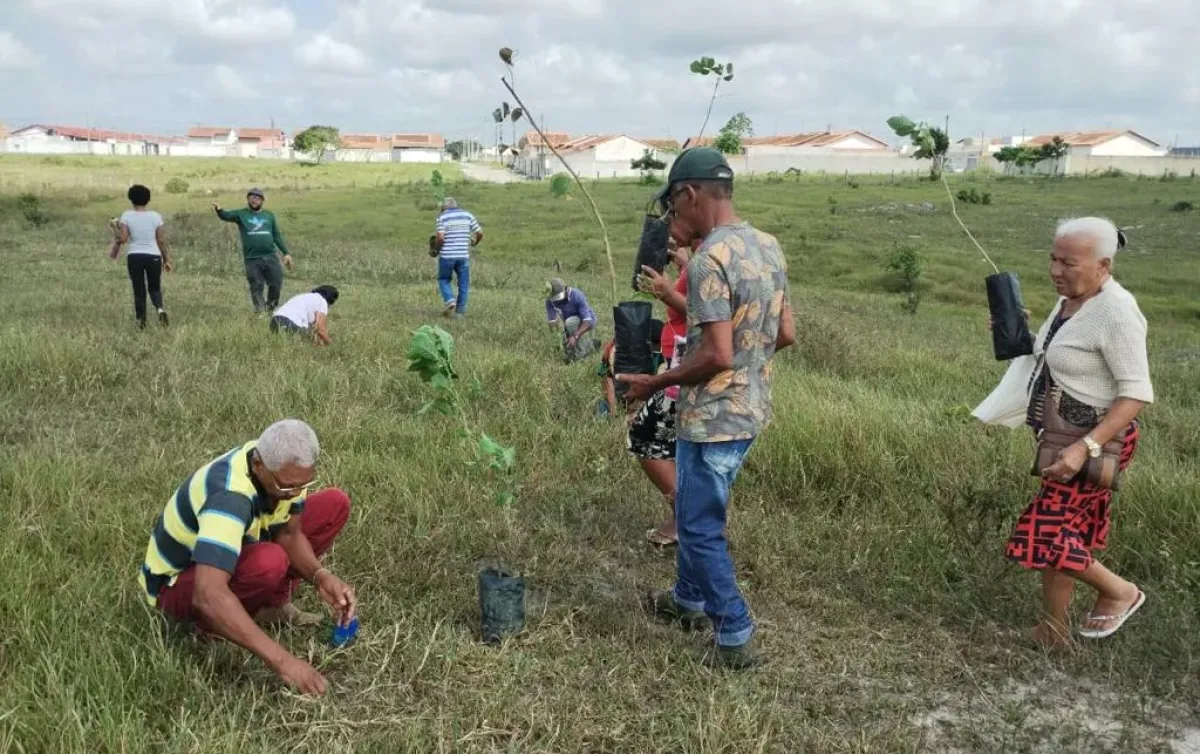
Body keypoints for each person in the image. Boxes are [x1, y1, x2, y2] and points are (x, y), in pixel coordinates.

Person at [618, 147, 795, 669]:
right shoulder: (769, 246)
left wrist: (656, 382)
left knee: (697, 526)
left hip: (713, 418)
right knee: (697, 509)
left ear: (689, 195)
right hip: (751, 409)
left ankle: (734, 632)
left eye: (673, 208)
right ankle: (688, 599)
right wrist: (748, 366)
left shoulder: (709, 261)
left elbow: (716, 353)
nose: (673, 221)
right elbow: (784, 333)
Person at [1000, 217, 1152, 648]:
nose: (1055, 270)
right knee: (1068, 533)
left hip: (1095, 442)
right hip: (1064, 438)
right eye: (1053, 258)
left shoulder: (1116, 311)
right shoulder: (1071, 302)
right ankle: (1053, 630)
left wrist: (1085, 449)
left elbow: (1136, 393)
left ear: (1103, 265)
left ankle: (1120, 591)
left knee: (1044, 532)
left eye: (1069, 262)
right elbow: (1064, 359)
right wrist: (1023, 336)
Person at [137, 419, 357, 697]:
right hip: (178, 584)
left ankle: (271, 607)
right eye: (288, 486)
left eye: (304, 484)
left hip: (239, 546)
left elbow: (289, 534)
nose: (297, 493)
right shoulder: (230, 498)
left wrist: (320, 576)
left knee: (334, 503)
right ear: (258, 466)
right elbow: (208, 593)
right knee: (269, 561)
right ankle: (211, 628)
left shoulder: (281, 469)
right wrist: (284, 662)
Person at [629, 238, 693, 547]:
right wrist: (682, 264)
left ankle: (687, 520)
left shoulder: (708, 262)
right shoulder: (698, 261)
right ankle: (692, 518)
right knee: (677, 447)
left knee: (643, 436)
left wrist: (667, 292)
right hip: (675, 362)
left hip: (684, 368)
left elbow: (702, 314)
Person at [213, 188, 295, 313]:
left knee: (276, 284)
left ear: (262, 201)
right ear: (248, 199)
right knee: (256, 285)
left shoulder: (269, 215)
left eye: (258, 198)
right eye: (252, 197)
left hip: (270, 256)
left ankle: (271, 308)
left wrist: (286, 253)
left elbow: (276, 236)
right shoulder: (241, 214)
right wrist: (219, 210)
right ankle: (260, 312)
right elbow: (226, 216)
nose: (254, 200)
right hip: (252, 259)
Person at [109, 184, 172, 328]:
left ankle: (141, 321)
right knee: (155, 288)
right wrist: (166, 259)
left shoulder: (127, 215)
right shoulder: (156, 216)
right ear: (148, 199)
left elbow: (123, 239)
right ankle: (160, 309)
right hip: (154, 256)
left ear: (131, 199)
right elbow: (160, 240)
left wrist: (114, 228)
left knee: (139, 289)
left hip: (135, 256)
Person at [434, 197, 483, 318]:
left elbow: (440, 237)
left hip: (447, 256)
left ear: (443, 208)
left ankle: (450, 300)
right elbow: (480, 233)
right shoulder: (468, 215)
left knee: (443, 279)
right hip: (463, 256)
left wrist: (436, 249)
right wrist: (475, 243)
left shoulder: (442, 217)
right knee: (463, 284)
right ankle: (459, 313)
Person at [546, 278, 600, 362]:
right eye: (554, 298)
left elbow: (588, 321)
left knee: (570, 323)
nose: (557, 301)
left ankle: (579, 356)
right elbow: (552, 323)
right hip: (568, 322)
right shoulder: (549, 300)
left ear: (566, 290)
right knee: (566, 346)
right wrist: (556, 340)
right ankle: (591, 344)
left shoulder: (577, 295)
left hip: (587, 321)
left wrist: (575, 336)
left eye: (558, 297)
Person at [270, 285, 339, 346]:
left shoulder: (305, 296)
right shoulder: (322, 301)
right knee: (308, 343)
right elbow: (320, 329)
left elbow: (315, 329)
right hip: (290, 323)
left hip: (275, 321)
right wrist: (331, 344)